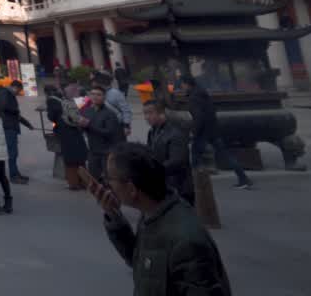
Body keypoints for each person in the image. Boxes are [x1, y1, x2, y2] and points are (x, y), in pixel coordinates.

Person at [92, 143, 233, 295]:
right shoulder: (151, 213)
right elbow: (141, 262)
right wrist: (114, 216)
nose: (106, 184)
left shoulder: (186, 242)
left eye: (109, 178)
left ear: (132, 189)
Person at [181, 76, 253, 190]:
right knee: (225, 155)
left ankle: (196, 182)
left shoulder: (194, 97)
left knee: (195, 156)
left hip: (202, 132)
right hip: (213, 130)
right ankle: (243, 178)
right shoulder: (202, 93)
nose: (182, 87)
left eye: (183, 84)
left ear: (188, 84)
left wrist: (193, 132)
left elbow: (198, 117)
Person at [145, 99, 194, 204]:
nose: (147, 117)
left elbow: (177, 161)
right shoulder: (152, 131)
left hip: (178, 186)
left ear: (161, 113)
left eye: (150, 113)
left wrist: (154, 171)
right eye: (145, 113)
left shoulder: (175, 133)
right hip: (163, 184)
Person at [46, 85, 89, 190]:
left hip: (67, 133)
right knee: (77, 159)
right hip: (73, 132)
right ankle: (80, 183)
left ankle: (76, 183)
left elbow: (52, 117)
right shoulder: (71, 102)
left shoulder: (61, 102)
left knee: (73, 159)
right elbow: (79, 118)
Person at [0, 80, 35, 184]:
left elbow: (16, 115)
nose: (18, 93)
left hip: (11, 125)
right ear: (15, 87)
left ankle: (16, 173)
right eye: (19, 90)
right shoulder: (5, 93)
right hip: (8, 126)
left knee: (14, 152)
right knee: (12, 152)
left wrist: (28, 124)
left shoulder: (8, 94)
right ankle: (13, 176)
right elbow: (3, 107)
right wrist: (14, 110)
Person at [82, 85, 125, 181]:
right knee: (93, 180)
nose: (95, 97)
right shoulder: (87, 111)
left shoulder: (110, 114)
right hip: (93, 151)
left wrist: (89, 125)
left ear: (104, 97)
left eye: (98, 94)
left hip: (107, 152)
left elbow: (109, 133)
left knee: (109, 180)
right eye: (92, 94)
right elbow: (84, 129)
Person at [97, 73, 133, 138]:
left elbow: (126, 110)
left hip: (117, 126)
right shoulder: (96, 94)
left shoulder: (116, 93)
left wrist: (126, 125)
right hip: (103, 126)